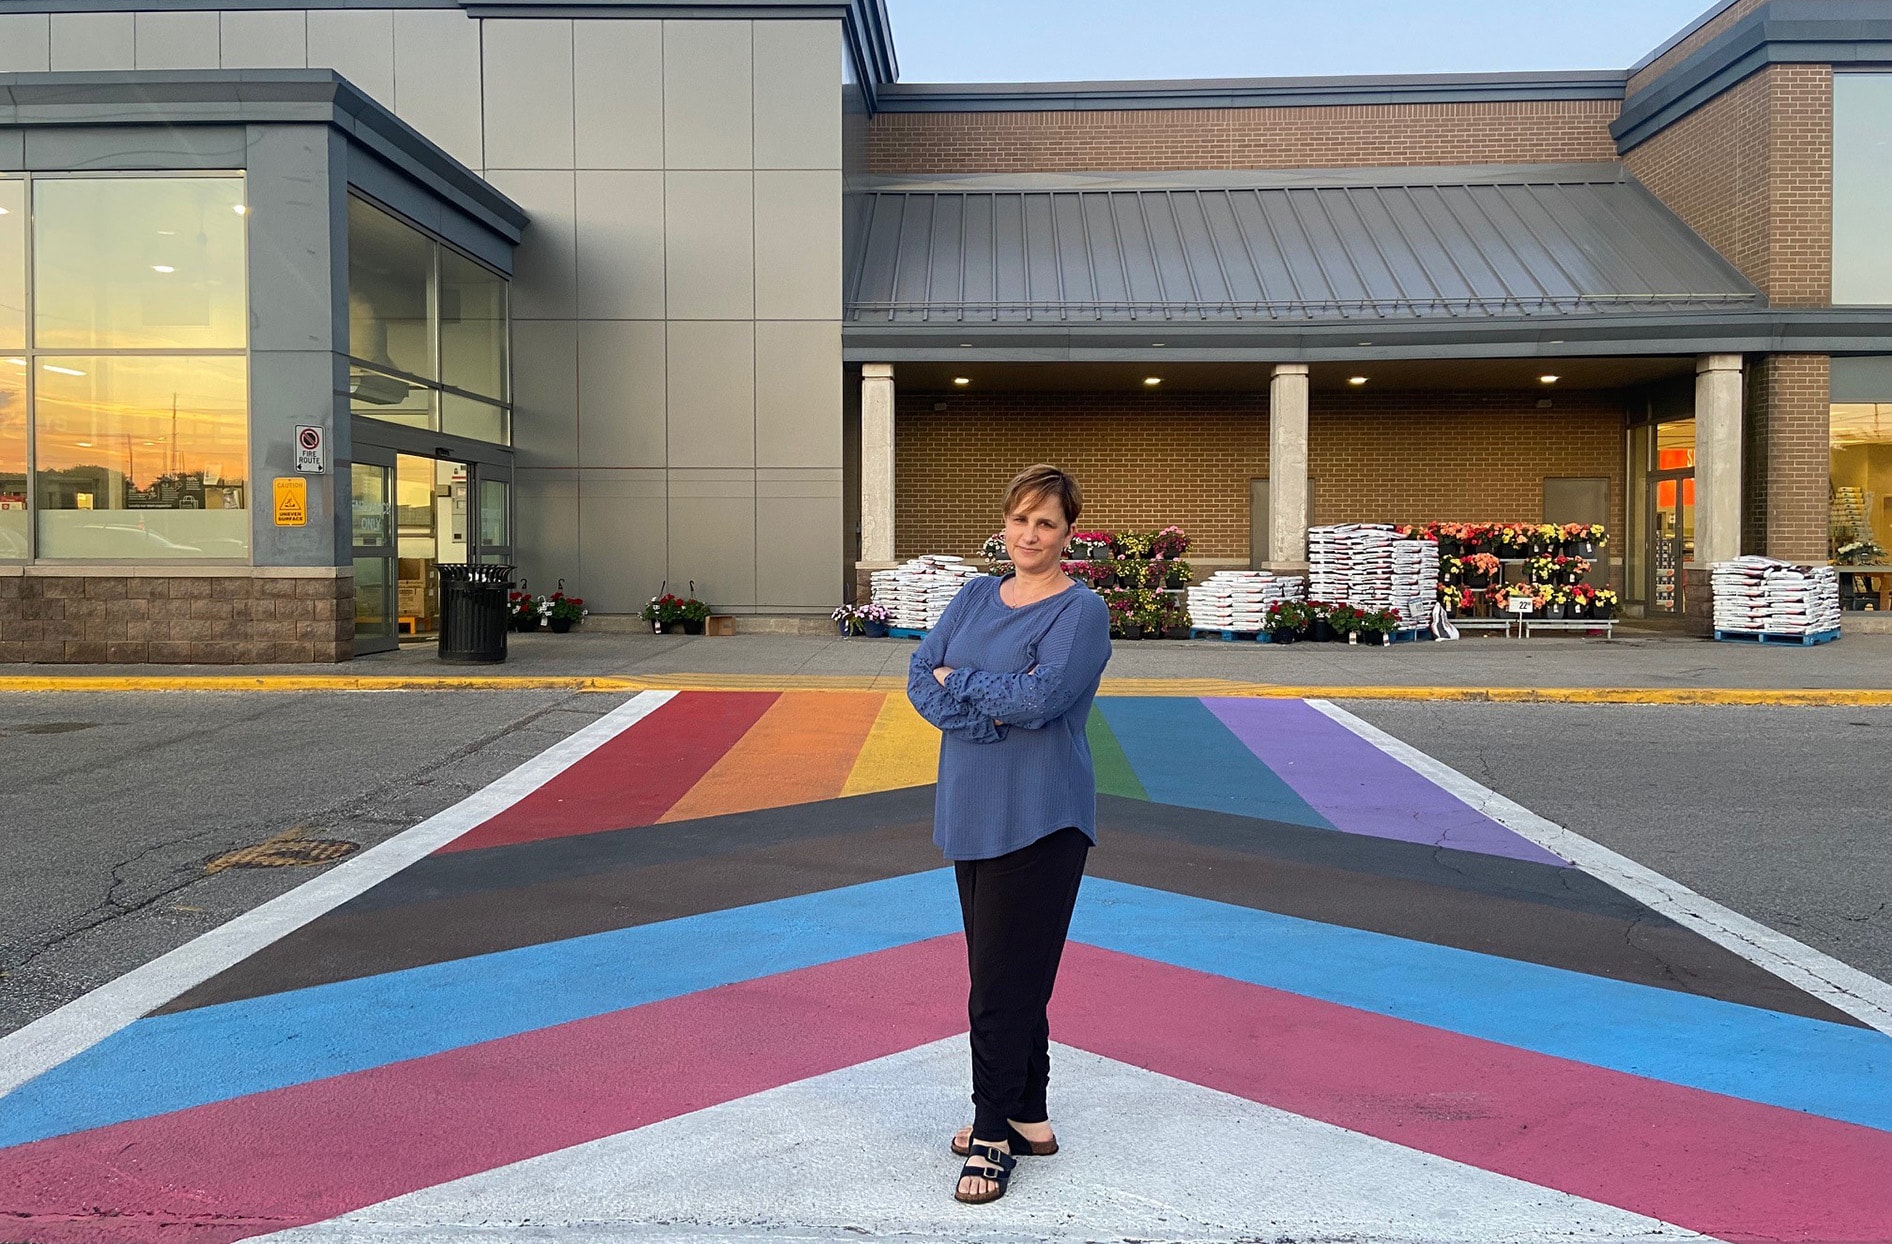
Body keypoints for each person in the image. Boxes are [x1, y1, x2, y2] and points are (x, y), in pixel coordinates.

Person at [906, 464, 1113, 1205]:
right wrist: (983, 720)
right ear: (1005, 522)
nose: (1030, 534)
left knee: (1000, 983)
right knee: (1005, 971)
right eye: (1021, 519)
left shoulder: (1079, 612)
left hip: (1041, 813)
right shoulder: (971, 595)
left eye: (1047, 523)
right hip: (972, 805)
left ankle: (991, 1132)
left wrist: (969, 685)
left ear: (1068, 534)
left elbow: (1043, 697)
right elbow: (920, 675)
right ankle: (1028, 1113)